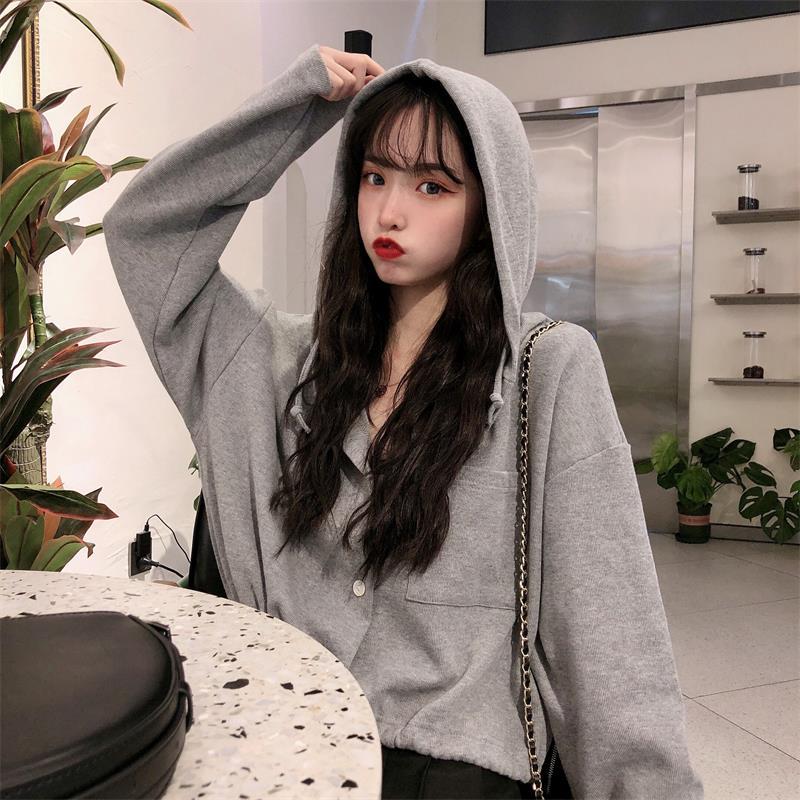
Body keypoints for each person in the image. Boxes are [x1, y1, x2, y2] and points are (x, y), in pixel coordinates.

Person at [102, 43, 704, 799]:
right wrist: (297, 110)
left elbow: (612, 638)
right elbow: (144, 233)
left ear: (489, 206)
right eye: (374, 176)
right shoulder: (271, 365)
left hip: (447, 771)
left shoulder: (545, 373)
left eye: (432, 186)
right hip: (281, 747)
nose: (389, 212)